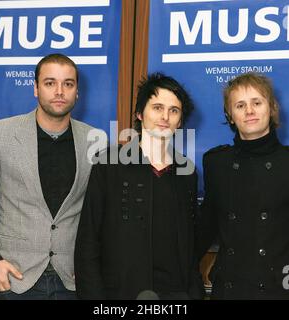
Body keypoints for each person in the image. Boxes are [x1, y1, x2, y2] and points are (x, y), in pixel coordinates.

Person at [0, 53, 97, 300]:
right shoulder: (1, 134)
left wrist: (92, 264)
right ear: (35, 88)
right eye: (50, 83)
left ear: (77, 92)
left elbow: (102, 213)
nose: (60, 91)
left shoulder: (95, 139)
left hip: (73, 284)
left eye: (68, 84)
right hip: (14, 280)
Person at [74, 73, 204, 300]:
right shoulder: (108, 164)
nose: (165, 116)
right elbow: (88, 241)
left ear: (180, 120)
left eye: (174, 110)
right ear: (139, 114)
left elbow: (190, 244)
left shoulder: (187, 172)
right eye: (157, 108)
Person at [198, 72, 289, 300]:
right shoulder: (216, 163)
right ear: (230, 116)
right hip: (228, 292)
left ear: (271, 108)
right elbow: (204, 231)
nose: (249, 111)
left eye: (256, 102)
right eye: (240, 105)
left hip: (280, 292)